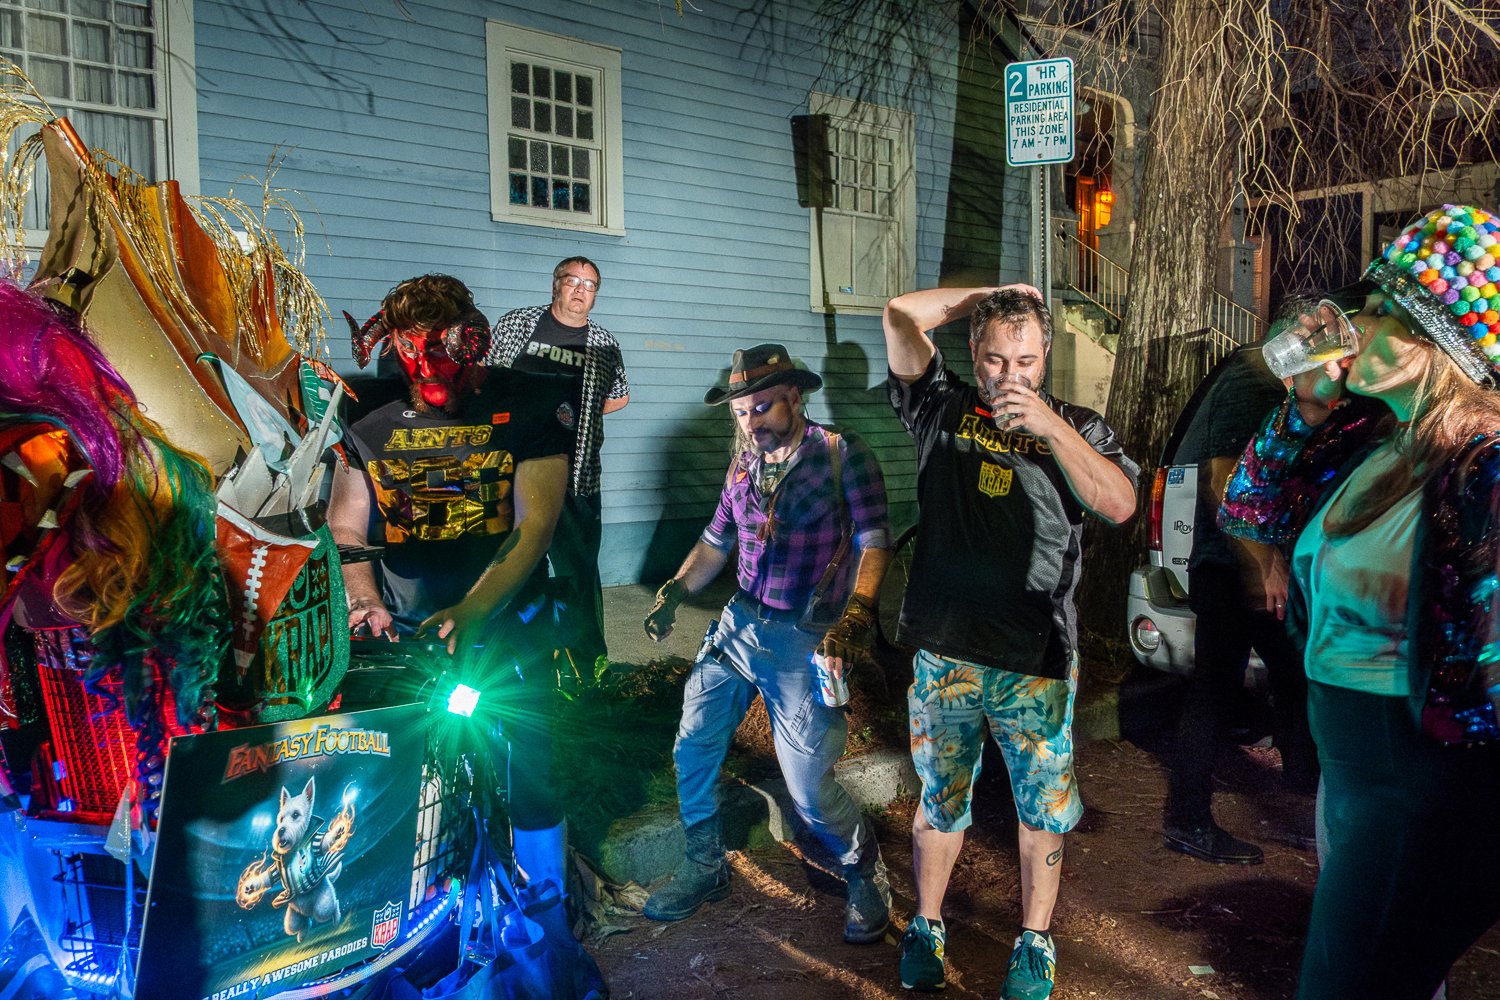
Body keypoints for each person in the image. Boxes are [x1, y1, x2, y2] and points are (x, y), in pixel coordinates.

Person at [1220, 204, 1500, 999]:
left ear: (1431, 345)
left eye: (1379, 313)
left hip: (1417, 775)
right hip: (1348, 767)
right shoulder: (1377, 438)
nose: (1356, 326)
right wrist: (1305, 402)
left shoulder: (1486, 467)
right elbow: (1249, 510)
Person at [881, 285, 1139, 999]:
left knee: (1042, 809)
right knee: (940, 799)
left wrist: (1052, 427)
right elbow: (900, 315)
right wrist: (989, 294)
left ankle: (1033, 941)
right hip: (946, 651)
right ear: (974, 352)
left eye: (1026, 360)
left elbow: (1119, 505)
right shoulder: (942, 407)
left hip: (1036, 659)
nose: (1010, 375)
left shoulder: (1081, 426)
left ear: (1045, 357)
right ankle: (927, 926)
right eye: (996, 359)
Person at [328, 273, 575, 897]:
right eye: (415, 354)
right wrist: (363, 597)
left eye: (447, 352)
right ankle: (405, 897)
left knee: (530, 764)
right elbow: (345, 522)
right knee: (395, 762)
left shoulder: (531, 400)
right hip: (405, 627)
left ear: (477, 342)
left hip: (508, 624)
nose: (432, 373)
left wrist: (473, 608)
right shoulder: (362, 410)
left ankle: (544, 901)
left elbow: (536, 524)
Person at [639, 343, 895, 944]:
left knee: (808, 787)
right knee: (693, 745)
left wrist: (855, 616)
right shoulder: (743, 466)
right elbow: (714, 542)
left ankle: (863, 869)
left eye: (762, 409)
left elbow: (875, 540)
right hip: (739, 625)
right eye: (741, 413)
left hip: (805, 636)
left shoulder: (840, 455)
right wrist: (675, 591)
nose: (751, 423)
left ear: (794, 397)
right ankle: (705, 865)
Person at [1161, 304, 1321, 865]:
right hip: (1232, 568)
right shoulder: (1254, 376)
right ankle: (1188, 820)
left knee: (1294, 683)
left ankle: (1307, 810)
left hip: (1250, 569)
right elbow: (1222, 474)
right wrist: (1263, 564)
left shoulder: (1273, 383)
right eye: (1313, 336)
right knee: (1219, 689)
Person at [488, 257, 629, 674]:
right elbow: (488, 378)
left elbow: (619, 395)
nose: (581, 290)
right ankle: (519, 663)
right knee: (513, 567)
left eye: (591, 284)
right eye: (574, 281)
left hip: (576, 475)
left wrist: (576, 417)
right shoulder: (518, 325)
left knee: (578, 572)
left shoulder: (604, 342)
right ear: (556, 285)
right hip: (513, 471)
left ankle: (588, 666)